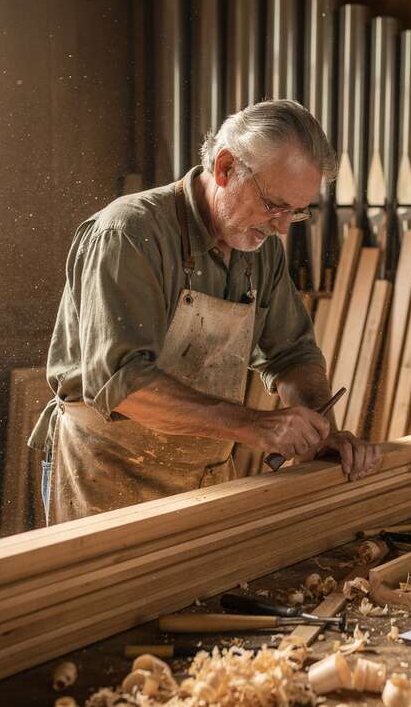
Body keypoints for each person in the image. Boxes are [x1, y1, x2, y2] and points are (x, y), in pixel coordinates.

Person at [29, 100, 380, 525]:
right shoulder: (130, 234)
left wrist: (320, 430)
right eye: (274, 205)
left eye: (296, 211)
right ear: (226, 168)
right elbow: (123, 383)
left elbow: (292, 354)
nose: (283, 227)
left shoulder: (260, 251)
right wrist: (254, 426)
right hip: (108, 476)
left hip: (203, 478)